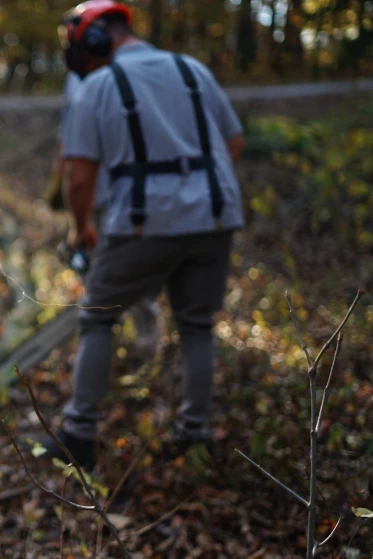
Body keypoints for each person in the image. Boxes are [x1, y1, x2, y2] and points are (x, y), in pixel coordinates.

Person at [42, 0, 246, 470]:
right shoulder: (193, 70)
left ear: (94, 40)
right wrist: (197, 192)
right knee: (196, 326)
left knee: (96, 317)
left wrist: (80, 229)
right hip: (215, 217)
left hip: (142, 223)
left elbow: (78, 178)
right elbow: (233, 143)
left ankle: (79, 434)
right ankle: (195, 435)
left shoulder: (96, 87)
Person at [46, 33, 162, 356]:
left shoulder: (142, 72)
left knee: (124, 269)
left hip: (127, 190)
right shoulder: (78, 80)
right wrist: (60, 177)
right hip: (97, 191)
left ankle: (140, 330)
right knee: (97, 266)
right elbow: (68, 133)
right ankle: (107, 330)